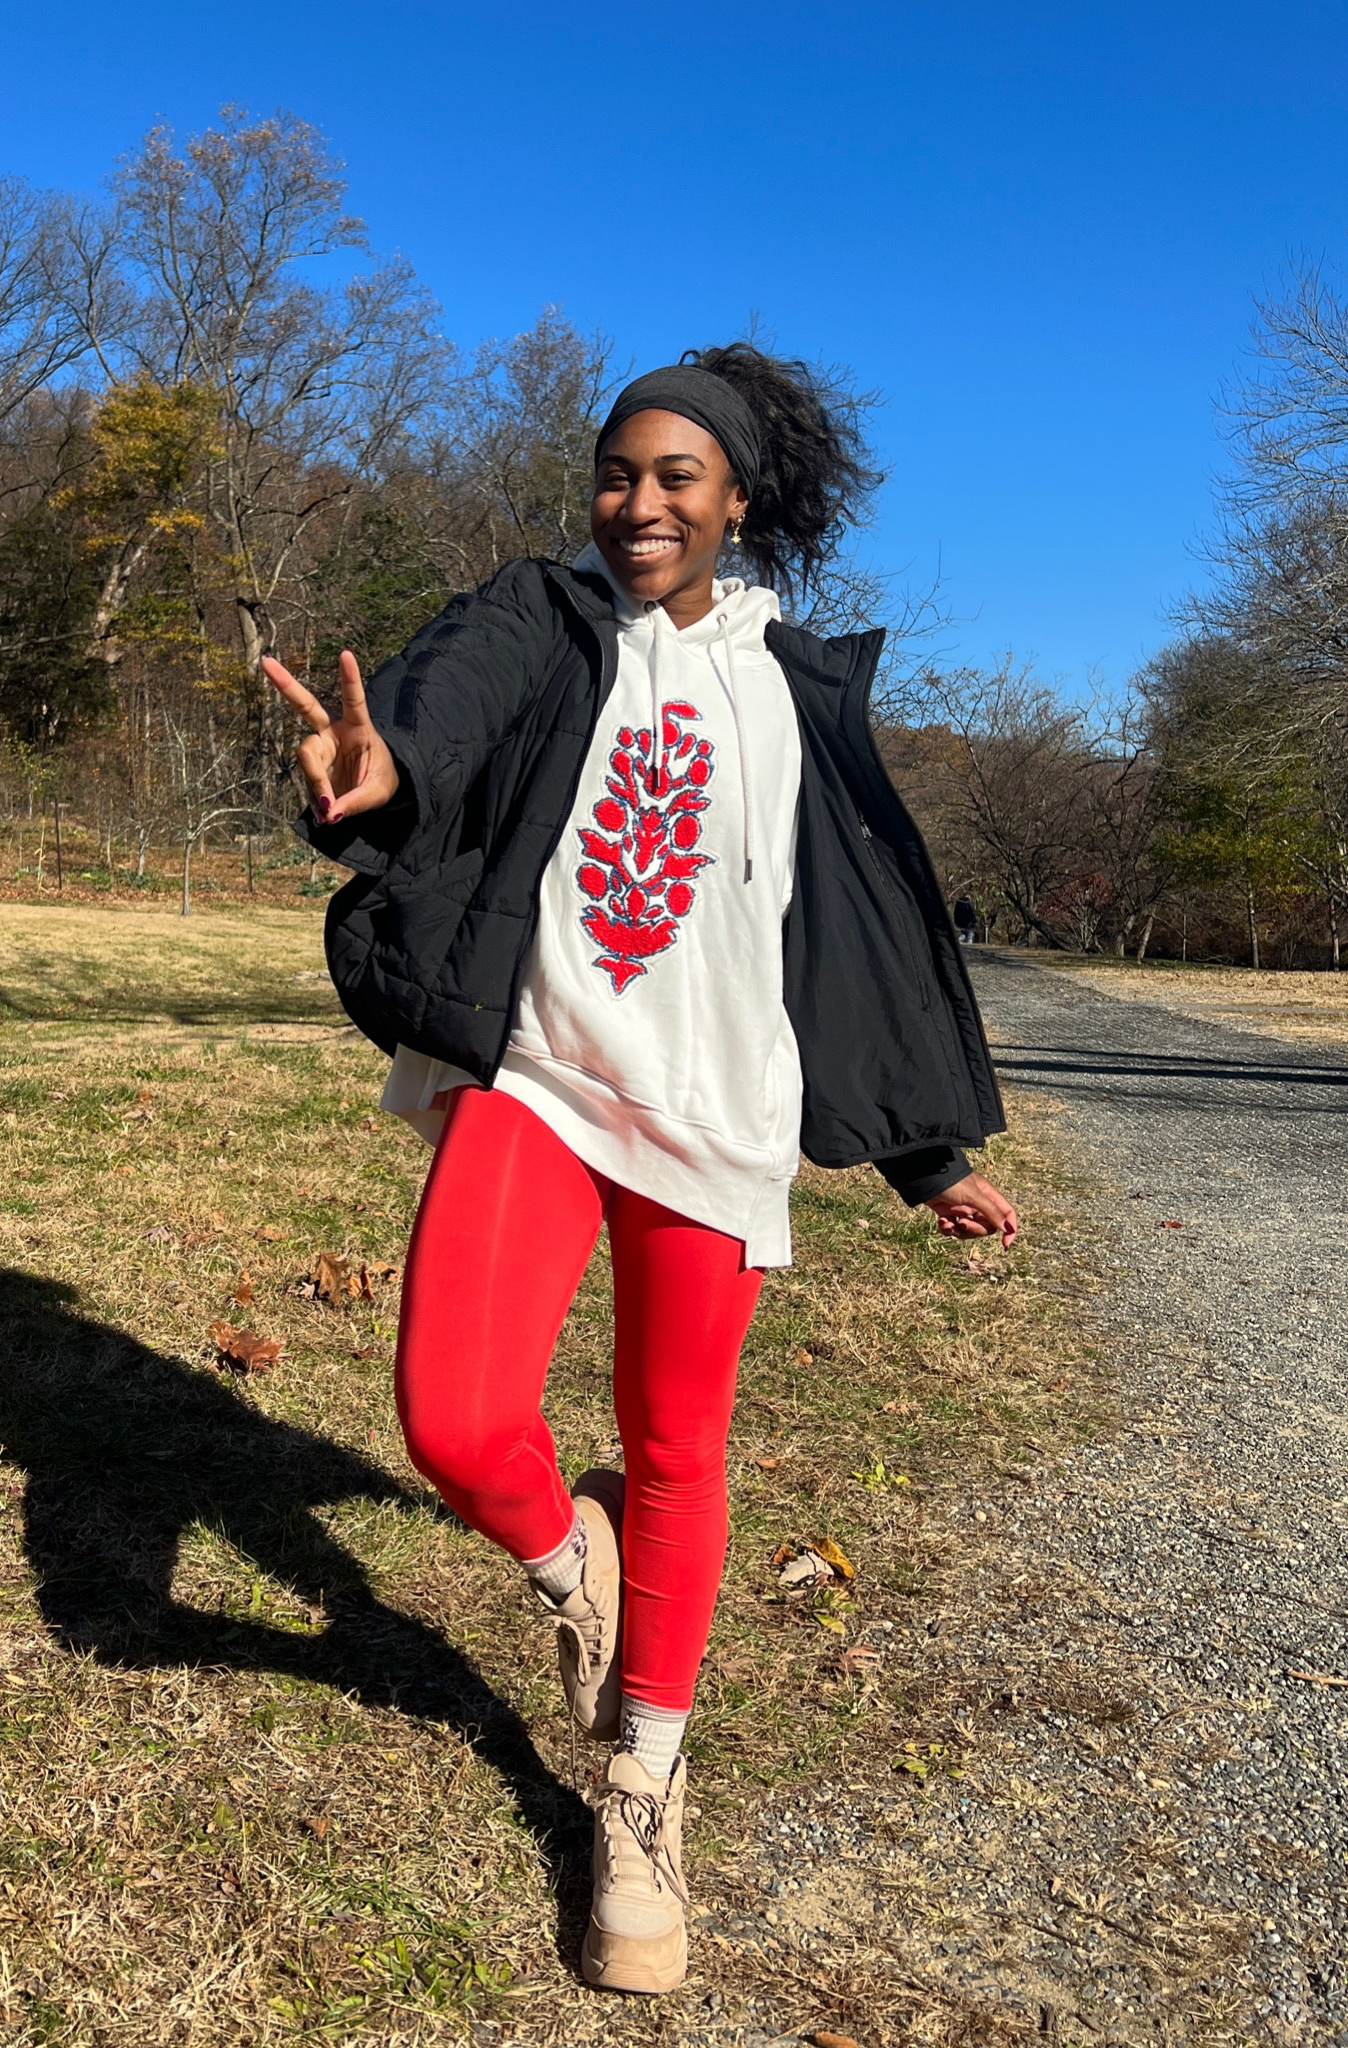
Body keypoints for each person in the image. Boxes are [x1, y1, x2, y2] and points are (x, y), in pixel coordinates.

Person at [264, 344, 1018, 1997]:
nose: (641, 502)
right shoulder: (548, 618)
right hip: (540, 1077)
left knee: (677, 1446)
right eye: (619, 471)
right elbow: (440, 718)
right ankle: (569, 1570)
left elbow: (858, 939)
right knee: (456, 1420)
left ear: (741, 499)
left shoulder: (794, 688)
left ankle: (644, 1787)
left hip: (716, 1117)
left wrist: (927, 1153)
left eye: (679, 477)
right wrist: (375, 780)